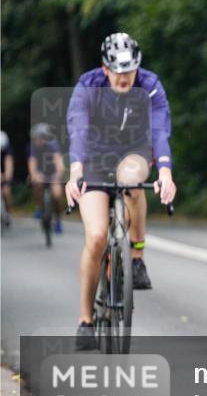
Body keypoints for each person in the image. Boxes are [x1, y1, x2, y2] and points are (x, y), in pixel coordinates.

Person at [64, 32, 177, 351]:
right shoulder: (88, 85)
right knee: (97, 236)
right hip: (94, 158)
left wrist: (165, 172)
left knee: (131, 182)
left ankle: (136, 256)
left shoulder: (150, 84)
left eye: (130, 70)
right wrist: (75, 172)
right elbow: (79, 129)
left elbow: (160, 129)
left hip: (133, 153)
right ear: (105, 67)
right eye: (118, 70)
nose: (125, 77)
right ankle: (86, 320)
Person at [27, 123, 65, 233]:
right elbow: (32, 164)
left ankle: (58, 220)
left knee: (57, 195)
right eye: (37, 138)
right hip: (40, 173)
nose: (40, 140)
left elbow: (59, 163)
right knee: (36, 183)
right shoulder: (32, 147)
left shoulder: (53, 145)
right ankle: (39, 207)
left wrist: (58, 174)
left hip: (53, 173)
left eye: (42, 138)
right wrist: (35, 174)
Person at [0, 130, 12, 228]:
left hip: (2, 170)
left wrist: (7, 174)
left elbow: (8, 159)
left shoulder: (2, 137)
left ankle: (7, 213)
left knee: (6, 192)